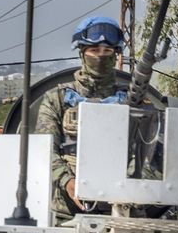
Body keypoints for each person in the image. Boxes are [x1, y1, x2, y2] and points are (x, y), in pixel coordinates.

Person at [36, 16, 128, 220]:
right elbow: (44, 150)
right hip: (67, 214)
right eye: (94, 50)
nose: (101, 56)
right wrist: (68, 181)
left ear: (116, 55)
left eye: (107, 51)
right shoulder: (57, 99)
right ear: (82, 53)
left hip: (122, 212)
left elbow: (146, 153)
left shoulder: (131, 101)